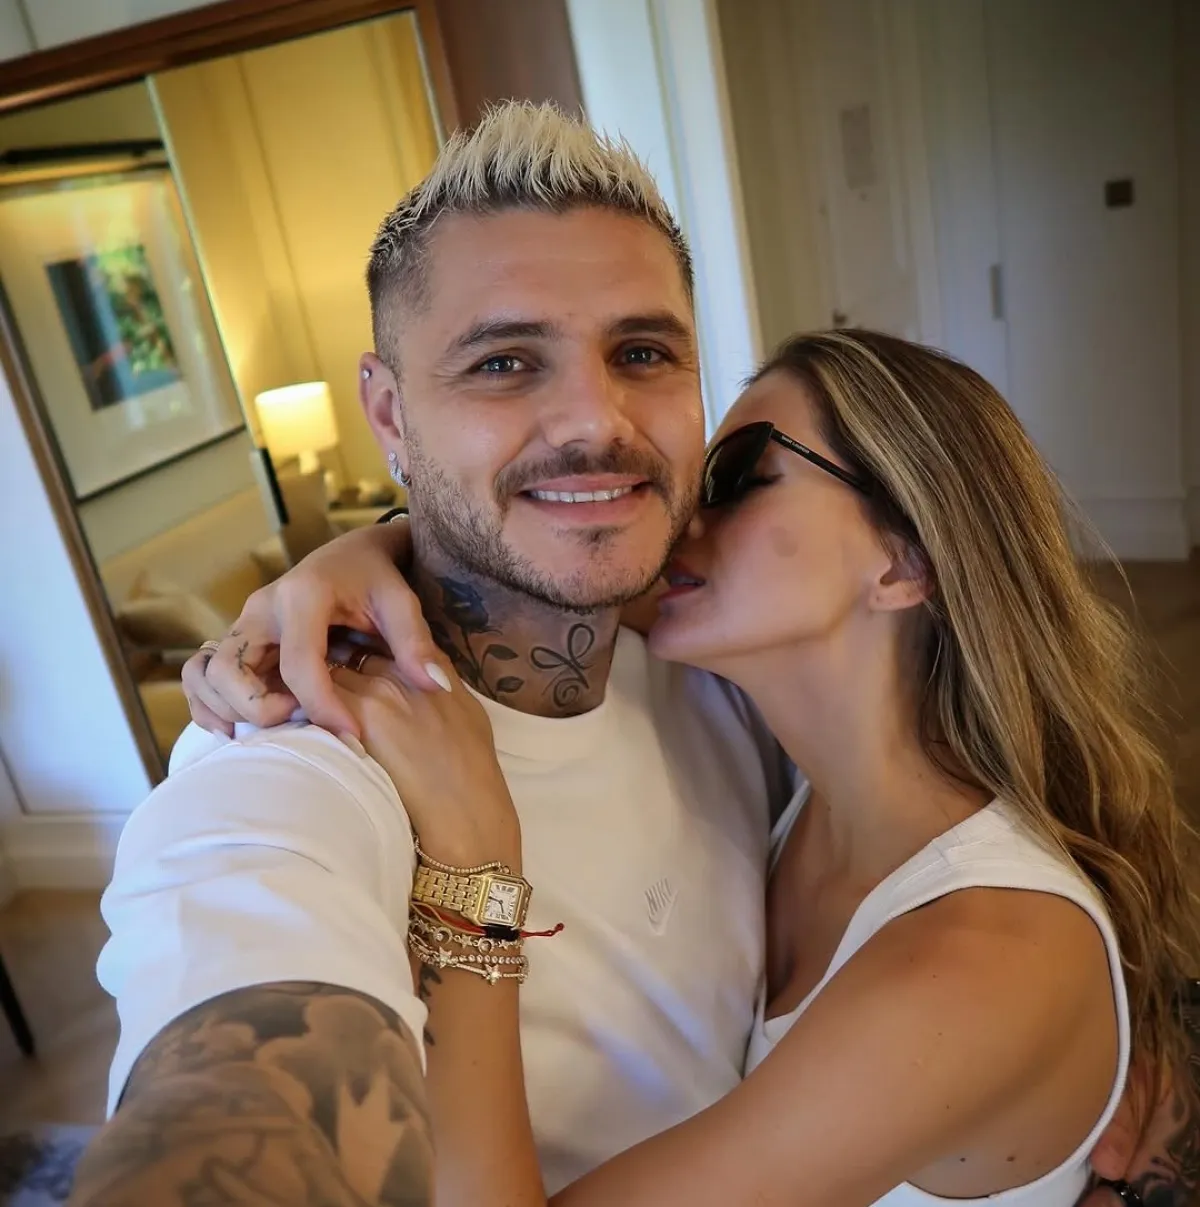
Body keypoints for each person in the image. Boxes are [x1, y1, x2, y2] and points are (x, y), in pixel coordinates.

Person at [194, 331, 1200, 1206]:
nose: (678, 518)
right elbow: (519, 567)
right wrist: (343, 569)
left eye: (737, 478)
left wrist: (476, 867)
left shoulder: (977, 962)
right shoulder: (799, 767)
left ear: (903, 562)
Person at [73, 102, 791, 1207]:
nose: (594, 420)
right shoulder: (297, 747)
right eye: (504, 362)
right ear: (389, 415)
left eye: (642, 352)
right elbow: (241, 1082)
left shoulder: (722, 661)